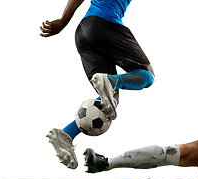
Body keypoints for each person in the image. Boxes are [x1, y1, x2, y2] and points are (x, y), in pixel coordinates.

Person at [40, 0, 155, 169]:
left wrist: (64, 21)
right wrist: (63, 20)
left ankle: (66, 134)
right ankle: (110, 80)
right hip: (106, 23)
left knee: (112, 98)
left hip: (85, 31)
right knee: (147, 75)